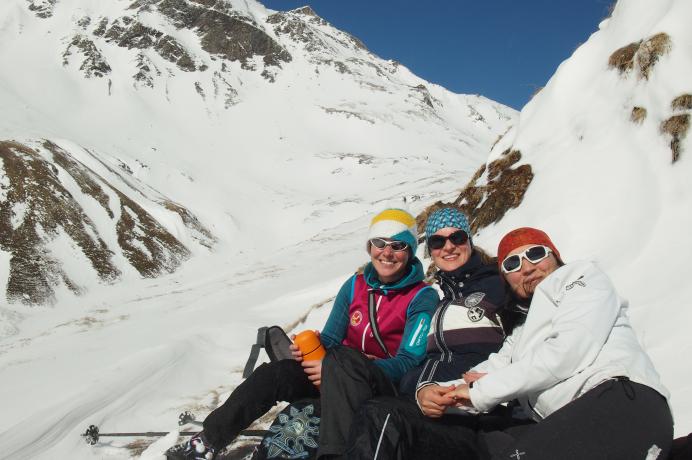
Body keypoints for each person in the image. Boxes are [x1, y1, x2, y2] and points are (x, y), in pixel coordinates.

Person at [165, 207, 438, 460]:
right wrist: (311, 349)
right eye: (379, 243)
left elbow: (408, 361)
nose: (387, 253)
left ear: (411, 250)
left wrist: (346, 370)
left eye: (398, 245)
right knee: (275, 374)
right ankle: (208, 441)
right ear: (369, 246)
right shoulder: (355, 286)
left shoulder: (421, 297)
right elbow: (331, 339)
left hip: (379, 388)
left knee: (315, 406)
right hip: (335, 374)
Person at [443, 227, 674, 459]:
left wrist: (483, 389)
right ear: (505, 279)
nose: (527, 267)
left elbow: (568, 350)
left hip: (620, 400)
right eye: (512, 263)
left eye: (535, 254)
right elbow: (494, 367)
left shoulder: (581, 277)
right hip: (569, 418)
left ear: (555, 256)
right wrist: (437, 394)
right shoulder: (522, 332)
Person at [346, 207, 513, 459]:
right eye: (437, 241)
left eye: (456, 237)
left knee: (381, 414)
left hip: (466, 414)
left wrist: (493, 376)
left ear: (469, 240)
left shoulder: (498, 284)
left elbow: (526, 338)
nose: (448, 247)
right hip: (421, 406)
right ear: (430, 251)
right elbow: (418, 358)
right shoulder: (437, 299)